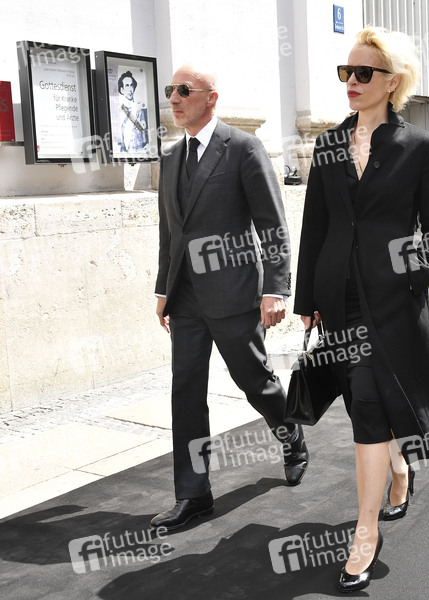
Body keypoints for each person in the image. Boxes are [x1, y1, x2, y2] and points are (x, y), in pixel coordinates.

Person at [294, 27, 429, 592]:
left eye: (364, 73)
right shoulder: (329, 144)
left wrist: (410, 267)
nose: (352, 82)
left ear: (393, 82)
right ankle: (398, 466)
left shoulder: (419, 146)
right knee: (364, 400)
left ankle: (365, 530)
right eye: (347, 72)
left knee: (368, 400)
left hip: (391, 301)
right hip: (339, 297)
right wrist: (307, 299)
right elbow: (315, 225)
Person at [152, 64, 308, 531]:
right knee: (186, 393)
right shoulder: (171, 158)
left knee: (255, 382)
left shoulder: (242, 148)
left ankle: (291, 436)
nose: (174, 98)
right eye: (171, 90)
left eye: (184, 90)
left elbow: (272, 225)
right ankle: (194, 494)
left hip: (235, 295)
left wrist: (275, 288)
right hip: (186, 299)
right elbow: (169, 234)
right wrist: (163, 290)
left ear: (211, 98)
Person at [115, 71, 149, 153]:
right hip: (126, 152)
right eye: (127, 85)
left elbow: (146, 131)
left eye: (131, 85)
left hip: (142, 151)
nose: (130, 89)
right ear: (122, 90)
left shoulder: (141, 108)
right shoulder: (118, 111)